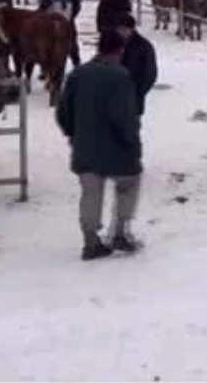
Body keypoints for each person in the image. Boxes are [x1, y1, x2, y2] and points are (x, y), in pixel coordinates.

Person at [56, 30, 143, 260]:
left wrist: (73, 134)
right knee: (128, 184)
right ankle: (120, 232)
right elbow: (125, 116)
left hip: (85, 146)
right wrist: (132, 142)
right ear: (119, 50)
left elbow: (63, 111)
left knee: (90, 192)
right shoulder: (120, 77)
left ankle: (90, 241)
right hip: (117, 149)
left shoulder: (77, 75)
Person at [116, 14, 158, 116]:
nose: (121, 32)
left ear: (131, 29)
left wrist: (138, 91)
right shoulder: (112, 44)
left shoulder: (143, 46)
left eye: (124, 29)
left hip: (134, 95)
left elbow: (150, 73)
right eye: (119, 29)